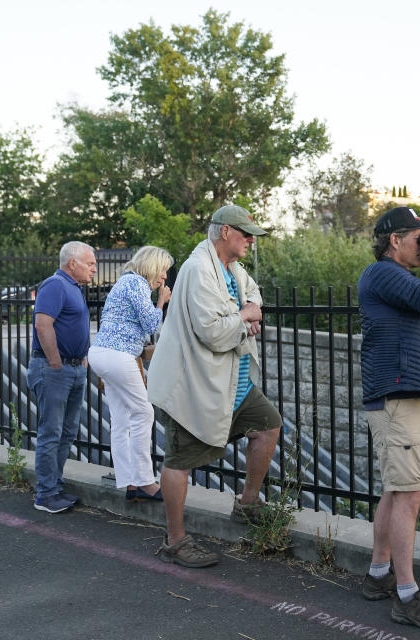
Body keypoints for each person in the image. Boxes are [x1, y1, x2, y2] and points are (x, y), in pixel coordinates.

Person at [147, 204, 282, 569]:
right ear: (225, 232)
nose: (251, 240)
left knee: (268, 425)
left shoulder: (232, 268)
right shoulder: (197, 270)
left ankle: (248, 503)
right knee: (180, 461)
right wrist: (244, 317)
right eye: (245, 234)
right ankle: (175, 541)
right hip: (194, 386)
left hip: (230, 387)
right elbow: (213, 334)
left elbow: (253, 297)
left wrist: (249, 312)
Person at [358, 207, 420, 632]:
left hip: (400, 395)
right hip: (398, 397)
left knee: (396, 490)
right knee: (409, 496)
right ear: (393, 241)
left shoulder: (391, 278)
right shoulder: (381, 273)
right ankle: (407, 595)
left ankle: (379, 574)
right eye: (418, 238)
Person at [88, 246, 173, 503]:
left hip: (101, 354)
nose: (164, 278)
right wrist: (161, 301)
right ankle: (146, 481)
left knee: (122, 418)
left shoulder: (124, 282)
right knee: (144, 412)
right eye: (162, 270)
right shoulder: (136, 283)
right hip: (117, 357)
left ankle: (130, 482)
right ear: (151, 265)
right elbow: (150, 324)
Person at [28, 241, 97, 514]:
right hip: (54, 370)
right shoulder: (55, 285)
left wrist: (80, 357)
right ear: (72, 264)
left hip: (73, 369)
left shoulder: (73, 288)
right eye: (90, 263)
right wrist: (56, 362)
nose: (94, 268)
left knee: (67, 432)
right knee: (52, 432)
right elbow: (43, 324)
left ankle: (54, 486)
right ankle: (45, 494)